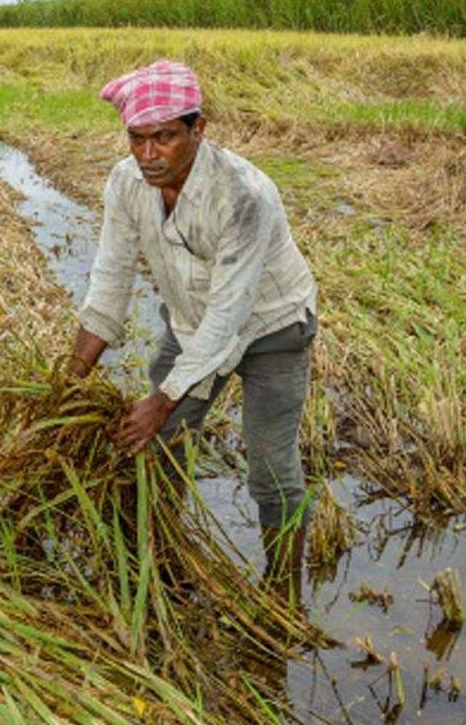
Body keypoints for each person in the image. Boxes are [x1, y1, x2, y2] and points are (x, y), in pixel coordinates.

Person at [67, 59, 318, 606]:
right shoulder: (126, 182)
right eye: (137, 138)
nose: (149, 155)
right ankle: (162, 567)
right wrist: (71, 375)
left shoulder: (244, 196)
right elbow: (111, 277)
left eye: (165, 137)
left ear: (197, 130)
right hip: (192, 324)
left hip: (272, 328)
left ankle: (282, 594)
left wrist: (164, 398)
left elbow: (230, 317)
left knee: (271, 470)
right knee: (155, 451)